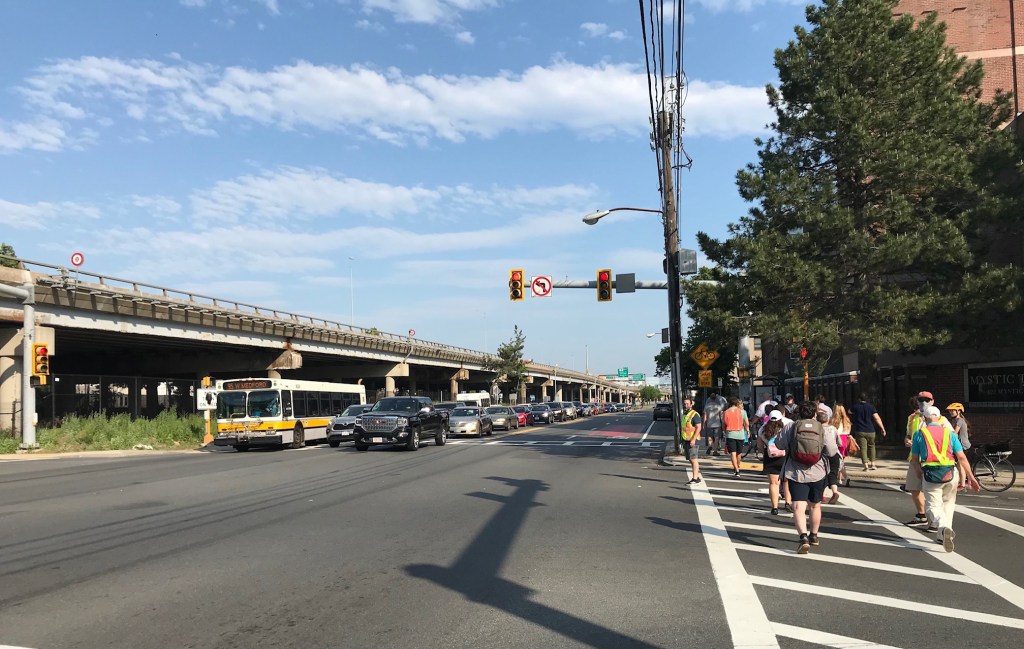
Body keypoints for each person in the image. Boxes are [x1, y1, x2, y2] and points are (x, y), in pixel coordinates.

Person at [909, 405, 981, 551]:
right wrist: (971, 478)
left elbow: (914, 459)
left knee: (932, 507)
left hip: (930, 474)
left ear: (925, 418)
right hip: (950, 473)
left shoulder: (919, 434)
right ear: (939, 417)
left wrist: (917, 471)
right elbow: (961, 457)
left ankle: (943, 526)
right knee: (948, 504)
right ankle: (943, 536)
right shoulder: (950, 433)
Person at [777, 400, 840, 554]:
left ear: (798, 413)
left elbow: (779, 445)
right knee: (815, 505)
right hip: (818, 472)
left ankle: (803, 537)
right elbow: (832, 451)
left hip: (796, 472)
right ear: (814, 414)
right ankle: (814, 535)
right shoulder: (821, 429)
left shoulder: (791, 427)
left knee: (798, 507)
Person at [904, 391, 954, 528]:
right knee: (914, 488)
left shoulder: (941, 420)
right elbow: (908, 435)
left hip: (935, 462)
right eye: (921, 400)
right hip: (915, 460)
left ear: (932, 401)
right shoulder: (912, 418)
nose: (923, 403)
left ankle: (936, 523)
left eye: (927, 400)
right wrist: (908, 440)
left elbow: (952, 438)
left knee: (934, 494)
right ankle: (922, 515)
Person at [759, 411, 791, 515]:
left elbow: (760, 445)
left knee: (773, 483)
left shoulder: (763, 429)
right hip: (784, 456)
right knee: (786, 481)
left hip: (770, 457)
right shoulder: (785, 428)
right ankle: (787, 503)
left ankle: (774, 507)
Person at [849, 395, 887, 470]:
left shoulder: (855, 407)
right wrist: (882, 428)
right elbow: (877, 418)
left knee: (863, 448)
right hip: (871, 430)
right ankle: (873, 464)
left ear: (859, 399)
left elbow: (849, 411)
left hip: (860, 430)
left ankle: (866, 465)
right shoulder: (871, 407)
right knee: (872, 446)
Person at [817, 404, 843, 504]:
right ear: (827, 420)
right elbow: (840, 443)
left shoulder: (818, 430)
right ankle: (835, 492)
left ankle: (821, 495)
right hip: (834, 454)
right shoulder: (833, 429)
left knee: (822, 474)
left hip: (823, 455)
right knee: (833, 474)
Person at [722, 396, 750, 477]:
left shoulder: (726, 412)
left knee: (733, 453)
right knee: (739, 453)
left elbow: (723, 424)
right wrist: (747, 431)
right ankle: (738, 466)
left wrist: (725, 432)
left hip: (730, 434)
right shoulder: (742, 412)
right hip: (740, 434)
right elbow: (746, 423)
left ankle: (736, 470)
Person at [680, 397, 703, 485]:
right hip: (686, 440)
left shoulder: (694, 414)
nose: (685, 405)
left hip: (692, 440)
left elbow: (699, 427)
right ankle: (696, 477)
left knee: (693, 459)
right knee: (691, 459)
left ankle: (695, 479)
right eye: (684, 404)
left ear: (691, 404)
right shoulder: (686, 414)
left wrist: (693, 439)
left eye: (687, 404)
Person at [830, 403, 853, 488]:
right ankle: (840, 478)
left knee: (836, 461)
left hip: (837, 440)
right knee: (841, 461)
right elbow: (848, 431)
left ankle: (844, 477)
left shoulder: (833, 420)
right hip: (845, 440)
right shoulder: (847, 420)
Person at [703, 392, 727, 456]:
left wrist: (704, 424)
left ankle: (710, 446)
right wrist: (722, 424)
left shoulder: (707, 406)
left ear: (710, 398)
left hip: (709, 424)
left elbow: (705, 416)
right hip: (717, 424)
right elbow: (721, 417)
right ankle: (715, 451)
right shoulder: (719, 407)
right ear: (715, 398)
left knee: (710, 437)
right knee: (716, 438)